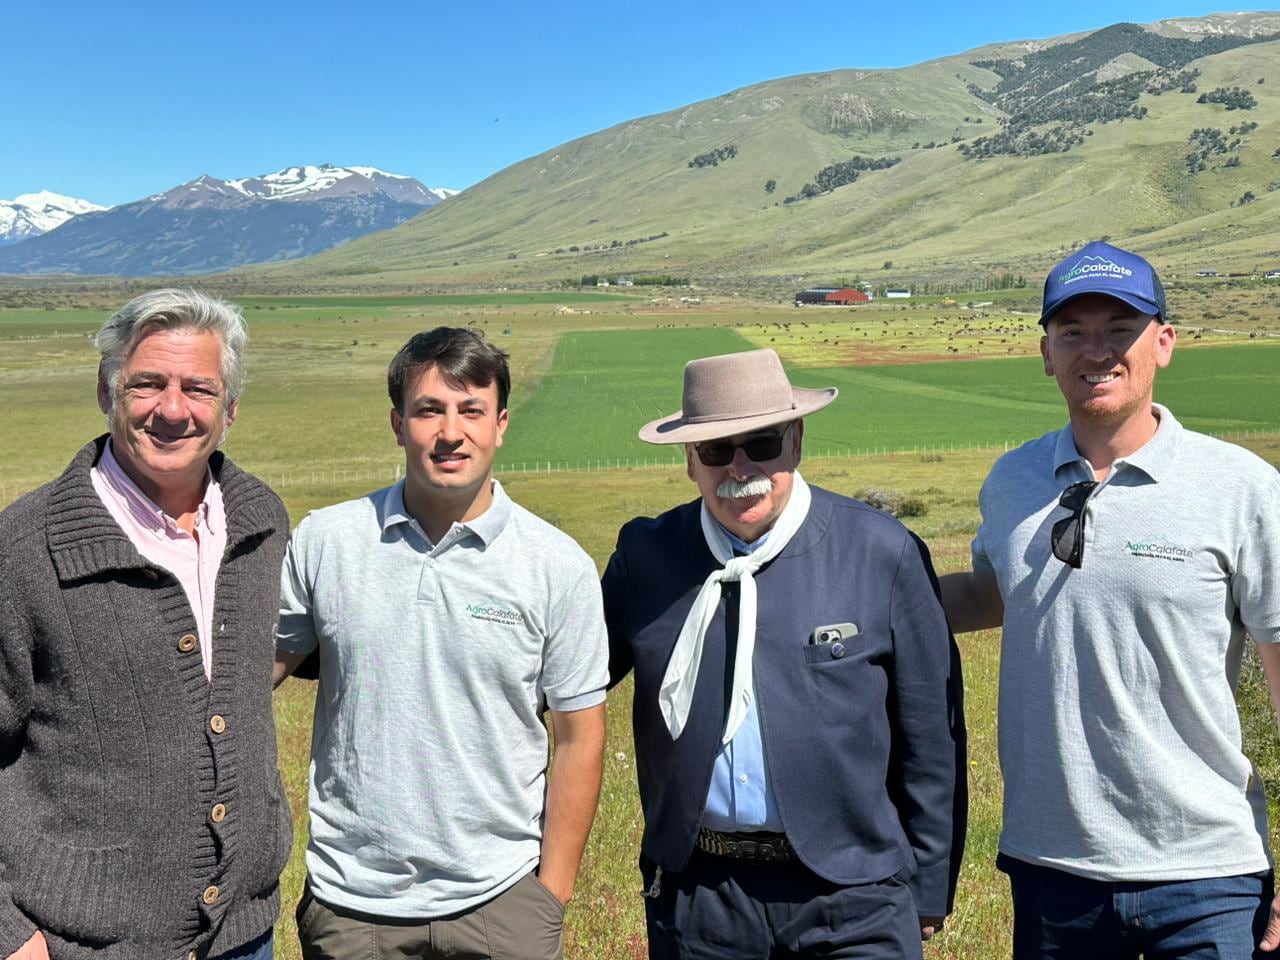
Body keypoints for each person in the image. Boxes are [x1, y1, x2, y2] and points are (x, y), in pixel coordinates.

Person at [941, 240, 1280, 958]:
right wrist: (849, 592)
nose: (1097, 351)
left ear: (1163, 343)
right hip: (1053, 867)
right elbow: (990, 595)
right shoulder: (1013, 480)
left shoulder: (1240, 488)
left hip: (1207, 875)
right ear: (1045, 352)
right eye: (1073, 333)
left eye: (1119, 330)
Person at [603, 347, 966, 959]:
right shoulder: (646, 557)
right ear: (690, 460)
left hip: (856, 892)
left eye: (762, 444)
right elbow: (568, 683)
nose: (739, 467)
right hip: (699, 898)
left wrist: (928, 884)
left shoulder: (881, 552)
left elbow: (932, 734)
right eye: (717, 450)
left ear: (795, 441)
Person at [273, 327, 608, 960]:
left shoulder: (557, 566)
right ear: (398, 424)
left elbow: (580, 736)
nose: (450, 432)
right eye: (429, 410)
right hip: (353, 903)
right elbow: (249, 673)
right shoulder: (327, 542)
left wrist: (549, 898)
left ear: (501, 424)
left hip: (502, 899)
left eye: (471, 410)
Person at [0, 289, 289, 960]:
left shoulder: (262, 522)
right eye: (147, 384)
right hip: (81, 945)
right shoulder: (24, 548)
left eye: (199, 388)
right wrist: (8, 933)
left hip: (244, 938)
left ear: (232, 409)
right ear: (106, 393)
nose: (171, 409)